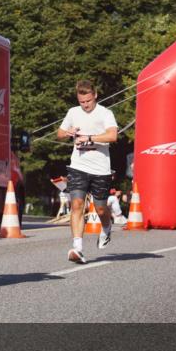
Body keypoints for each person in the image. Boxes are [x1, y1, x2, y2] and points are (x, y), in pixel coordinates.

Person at [56, 80, 118, 264]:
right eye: (82, 102)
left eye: (88, 101)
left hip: (100, 169)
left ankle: (106, 226)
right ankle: (77, 248)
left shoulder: (105, 113)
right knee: (76, 204)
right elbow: (59, 133)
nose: (85, 105)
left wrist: (90, 137)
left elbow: (113, 135)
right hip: (78, 166)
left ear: (95, 95)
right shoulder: (73, 112)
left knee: (100, 208)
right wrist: (67, 133)